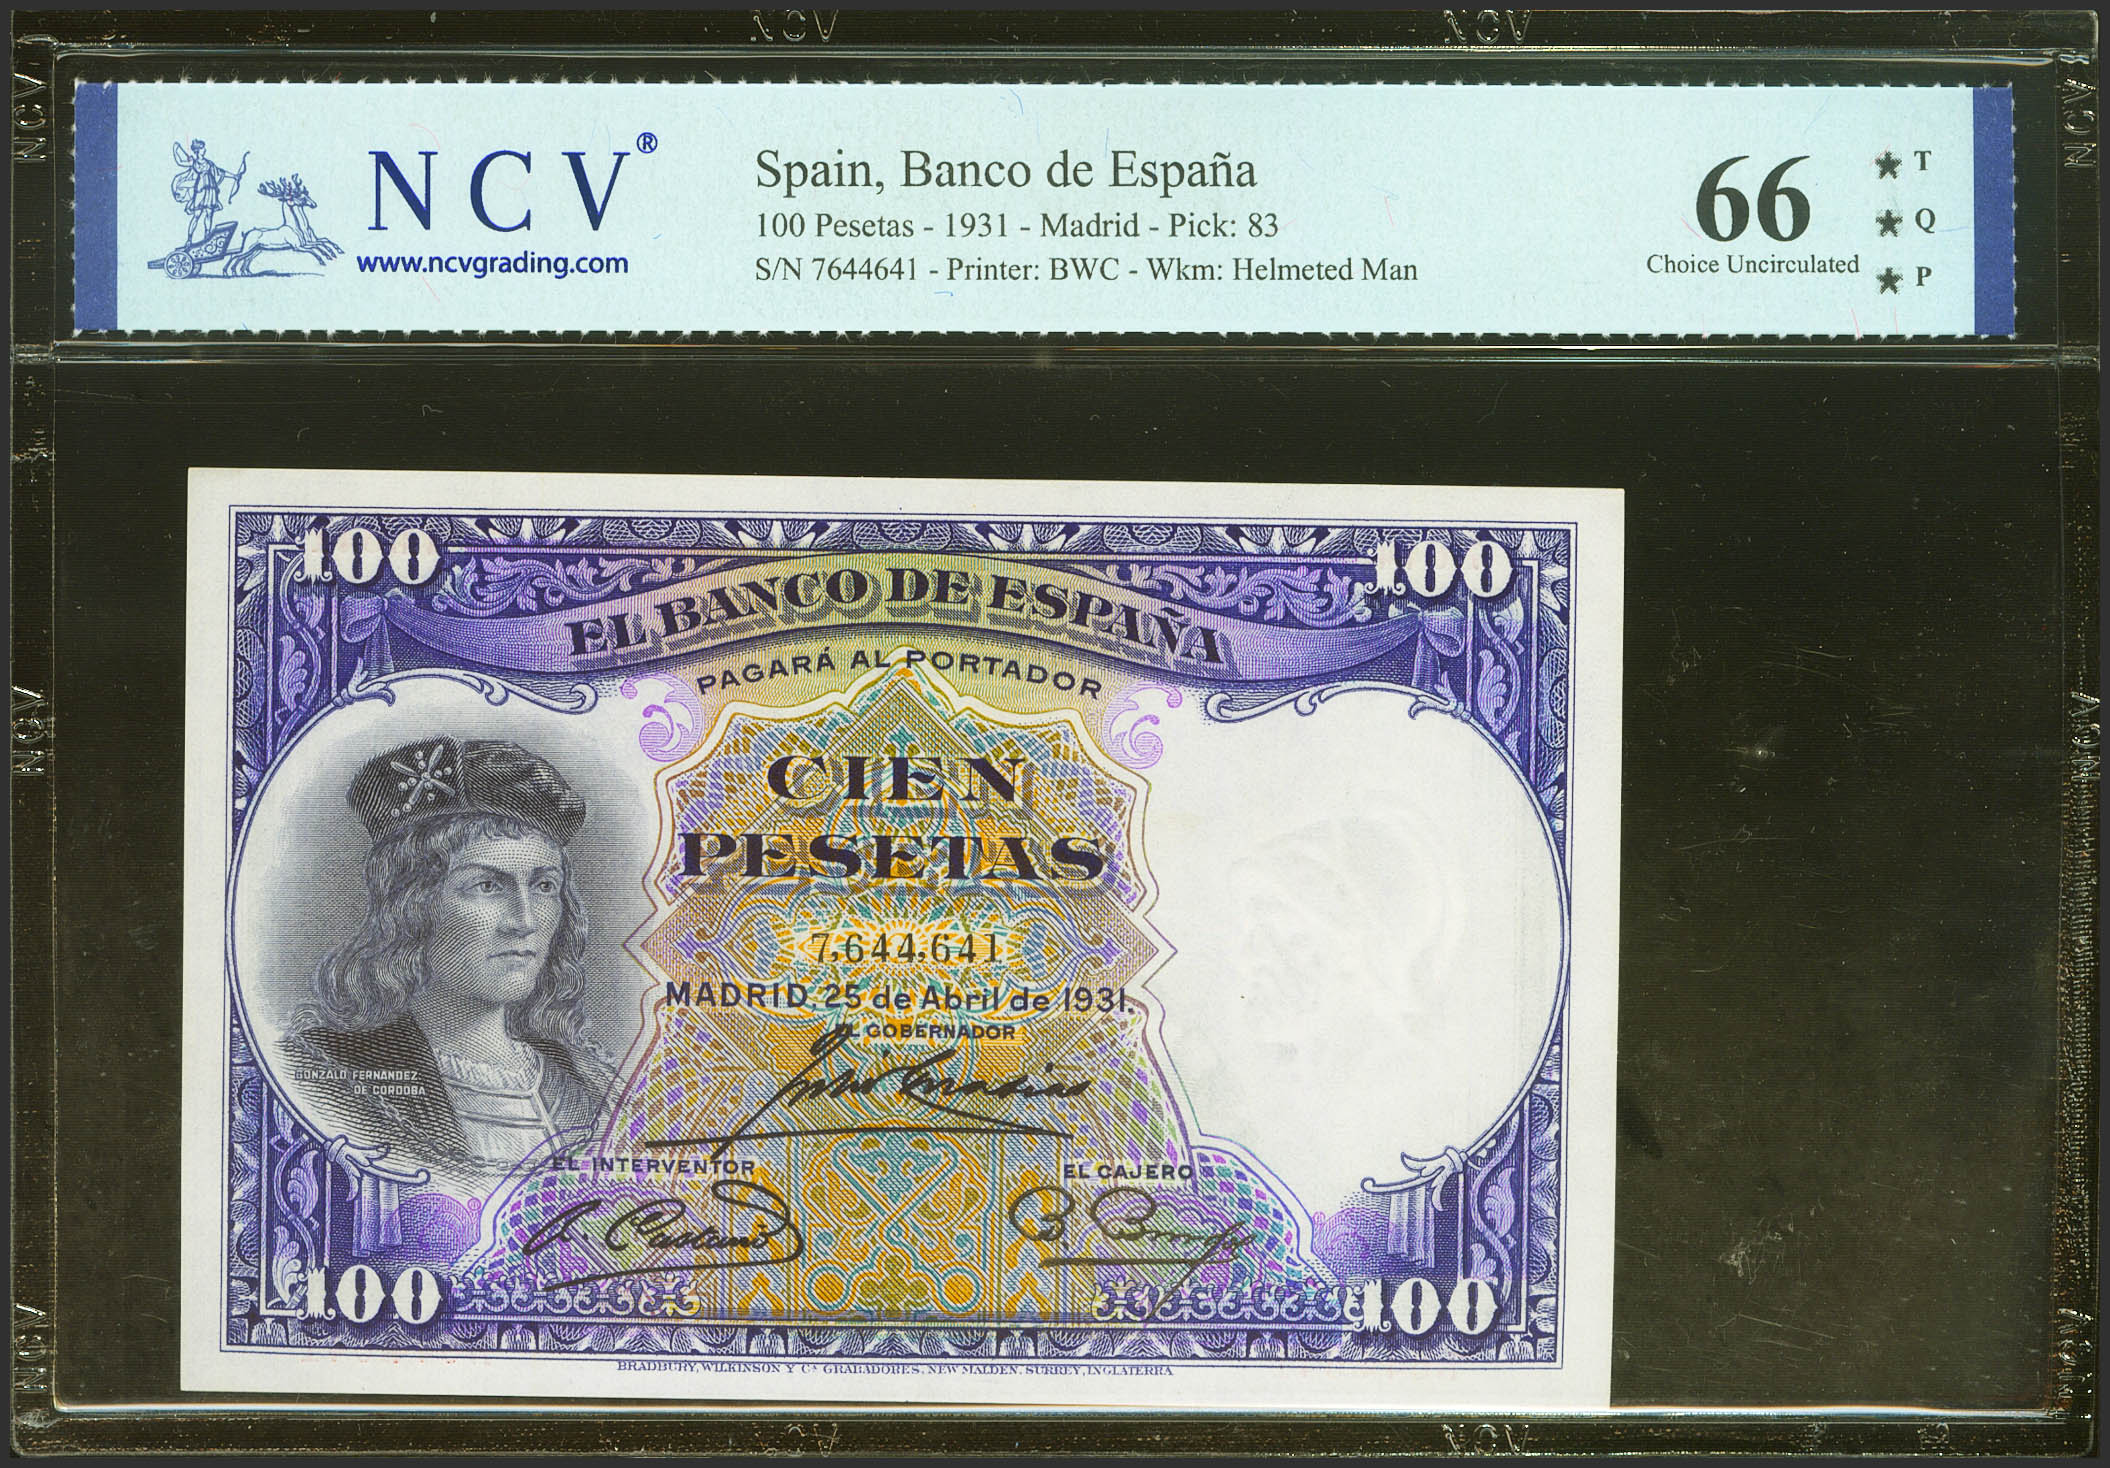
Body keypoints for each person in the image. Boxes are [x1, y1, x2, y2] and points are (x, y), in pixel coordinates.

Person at [284, 736, 613, 1180]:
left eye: (543, 886)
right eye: (487, 886)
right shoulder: (328, 1072)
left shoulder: (593, 1083)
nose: (525, 921)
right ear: (413, 907)